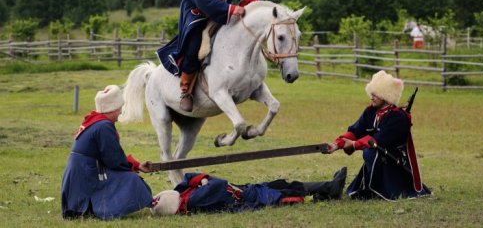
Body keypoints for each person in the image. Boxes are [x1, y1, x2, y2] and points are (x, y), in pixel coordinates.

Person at [157, 0, 259, 112]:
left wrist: (251, 10)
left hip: (222, 12)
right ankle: (186, 91)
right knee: (194, 47)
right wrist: (231, 9)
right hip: (197, 12)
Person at [325, 71, 431, 201]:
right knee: (370, 152)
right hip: (379, 154)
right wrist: (337, 144)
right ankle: (369, 188)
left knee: (370, 152)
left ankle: (378, 190)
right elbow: (355, 131)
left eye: (375, 94)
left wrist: (353, 145)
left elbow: (377, 140)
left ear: (386, 95)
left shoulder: (398, 117)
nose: (372, 97)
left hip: (393, 160)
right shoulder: (370, 111)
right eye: (372, 93)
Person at [61, 85, 154, 220]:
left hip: (81, 173)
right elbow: (114, 160)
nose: (121, 112)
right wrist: (132, 170)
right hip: (86, 174)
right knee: (132, 180)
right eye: (119, 108)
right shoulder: (104, 126)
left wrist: (136, 165)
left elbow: (110, 155)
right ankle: (98, 209)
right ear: (112, 108)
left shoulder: (96, 122)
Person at [150, 167, 347, 215]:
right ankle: (330, 189)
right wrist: (204, 180)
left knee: (281, 183)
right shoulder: (194, 200)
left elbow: (187, 178)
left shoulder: (184, 193)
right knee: (287, 193)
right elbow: (219, 184)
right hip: (248, 199)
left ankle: (328, 190)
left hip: (245, 189)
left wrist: (200, 179)